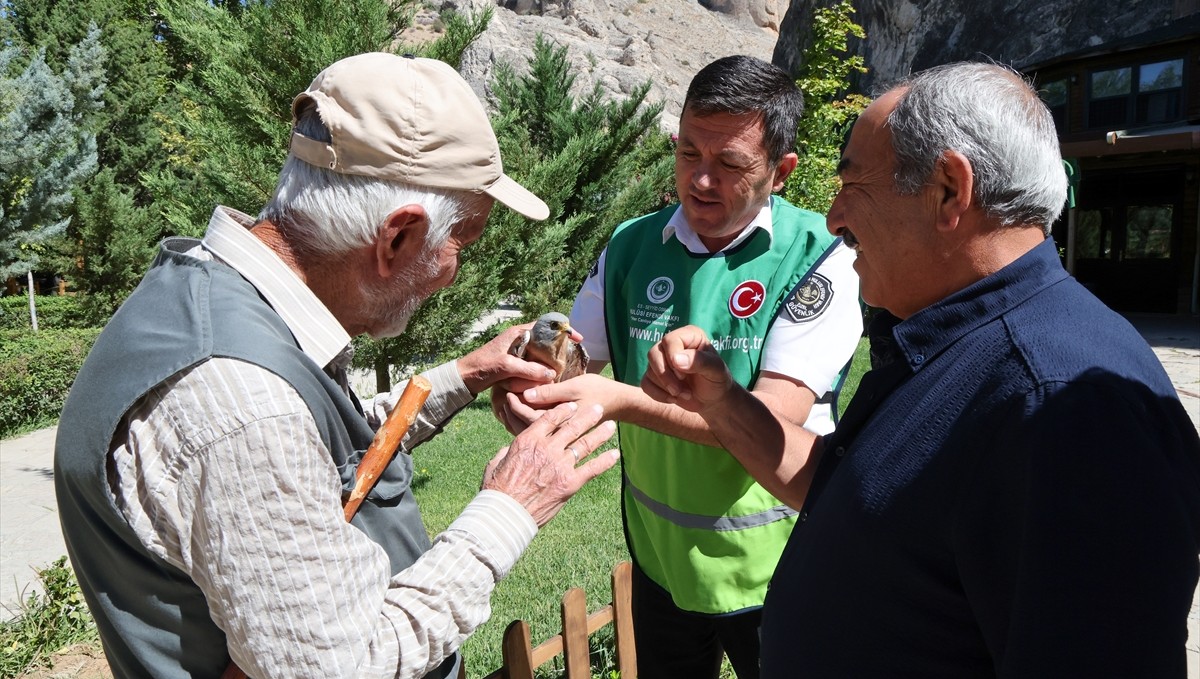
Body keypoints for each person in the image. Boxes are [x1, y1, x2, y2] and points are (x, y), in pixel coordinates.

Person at [53, 53, 619, 679]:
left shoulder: (209, 297)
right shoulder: (244, 405)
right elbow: (345, 664)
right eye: (463, 243)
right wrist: (510, 507)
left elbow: (314, 456)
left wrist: (463, 376)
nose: (455, 272)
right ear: (397, 236)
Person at [642, 61, 1200, 677]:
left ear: (949, 191)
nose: (833, 218)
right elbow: (856, 488)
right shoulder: (958, 339)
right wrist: (723, 402)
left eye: (853, 184)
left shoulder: (1066, 411)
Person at [497, 55, 862, 678]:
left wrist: (618, 401)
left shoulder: (819, 257)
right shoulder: (630, 244)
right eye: (689, 152)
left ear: (781, 172)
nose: (701, 179)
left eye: (730, 164)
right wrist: (527, 385)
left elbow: (772, 421)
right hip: (659, 561)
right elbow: (570, 367)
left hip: (777, 566)